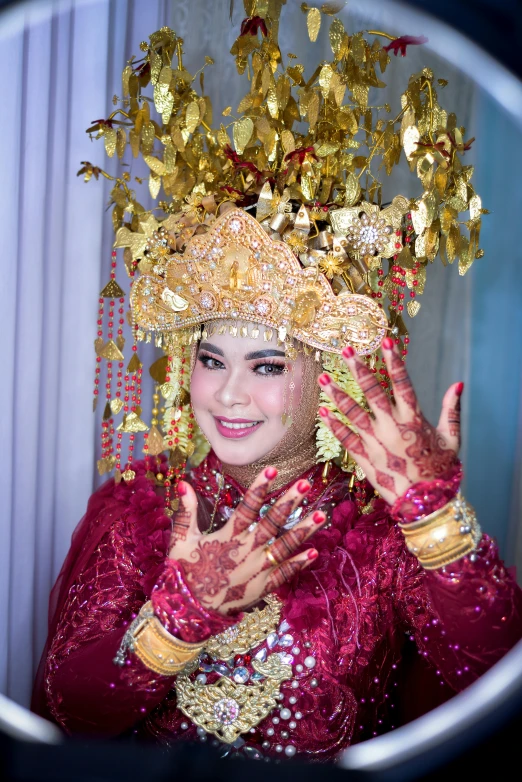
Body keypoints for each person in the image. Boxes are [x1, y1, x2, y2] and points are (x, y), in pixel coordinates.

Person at [31, 5, 522, 765]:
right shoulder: (136, 503)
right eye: (210, 359)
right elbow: (66, 714)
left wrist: (435, 522)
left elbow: (491, 683)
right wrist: (176, 621)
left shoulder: (379, 521)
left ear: (328, 375)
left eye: (266, 366)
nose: (225, 395)